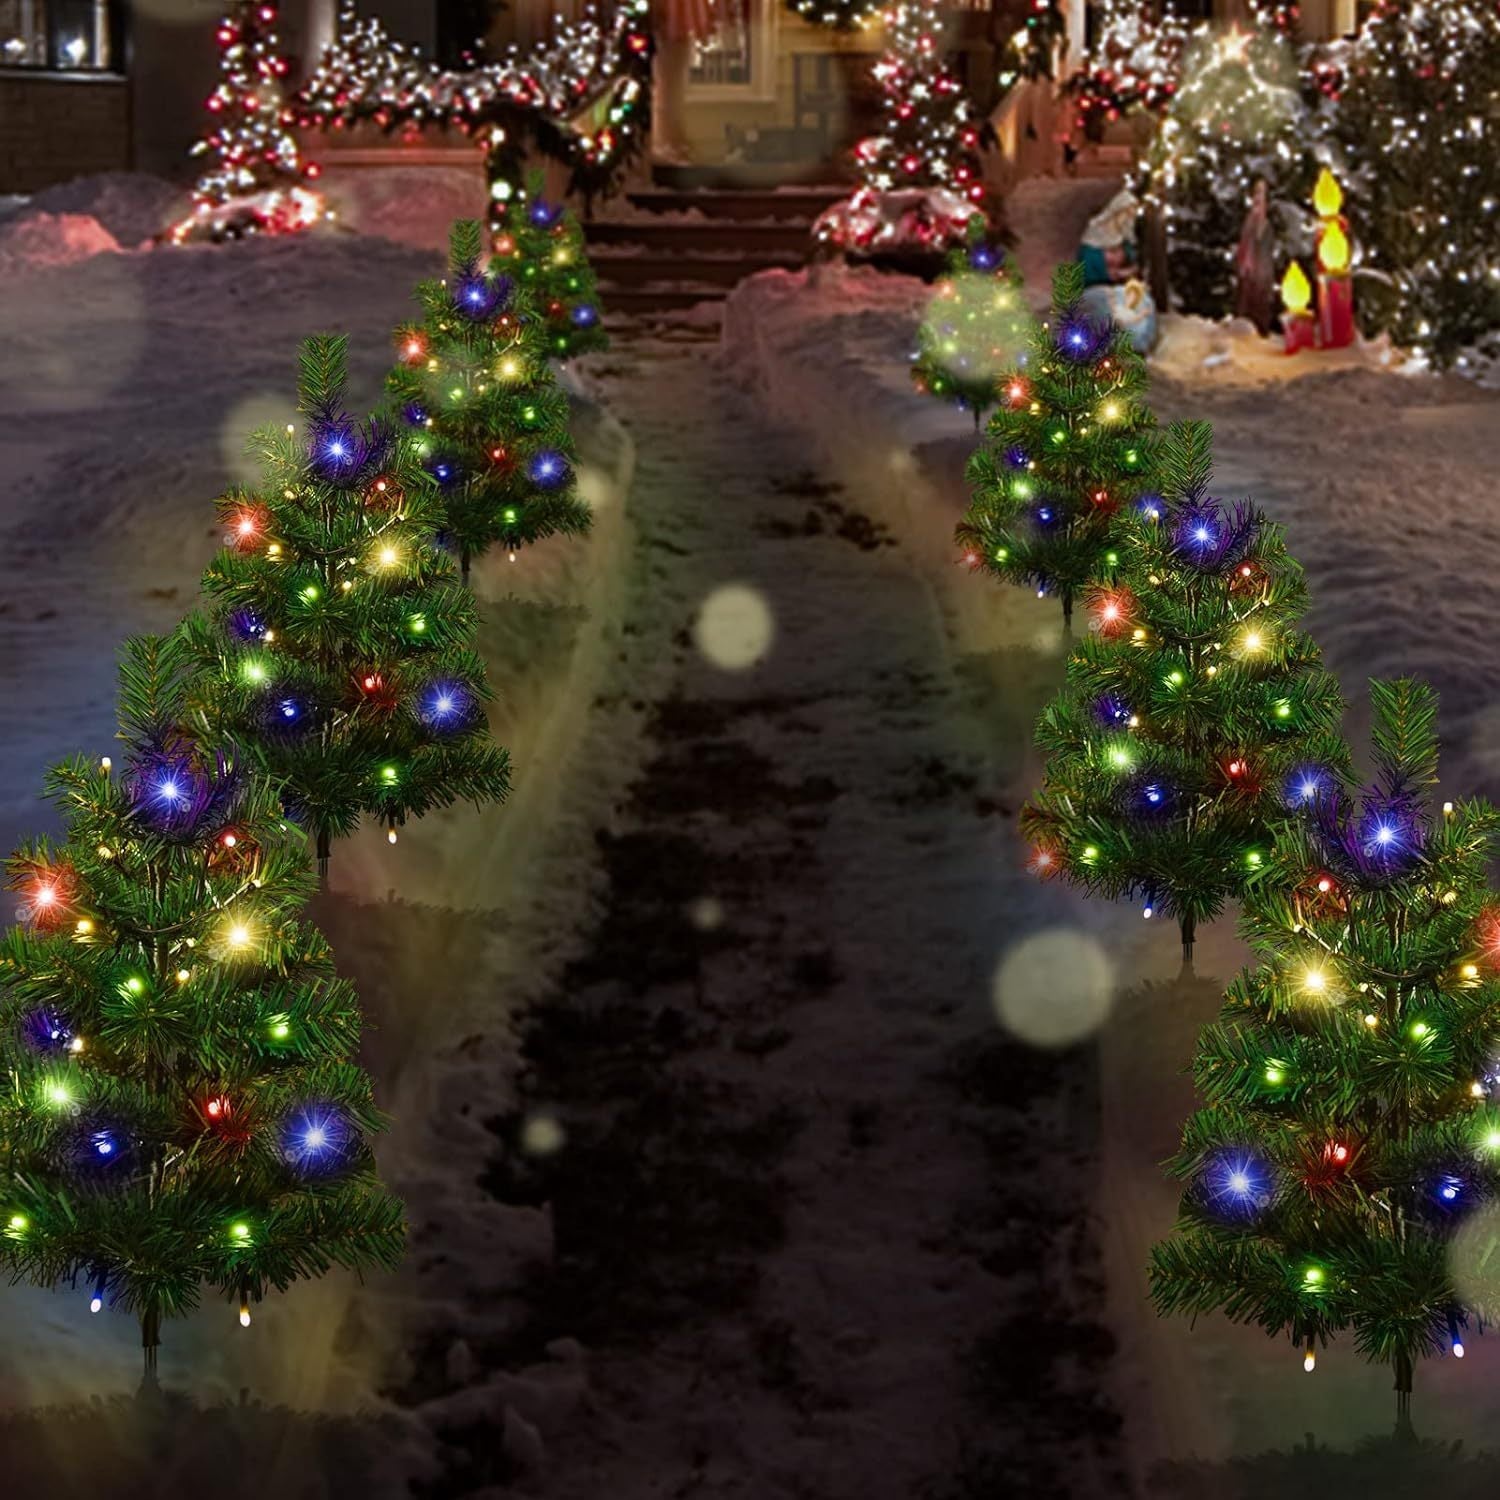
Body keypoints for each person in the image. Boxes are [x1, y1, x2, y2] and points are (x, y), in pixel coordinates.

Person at [1235, 177, 1277, 334]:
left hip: (1260, 276)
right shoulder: (1248, 222)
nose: (1257, 198)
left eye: (1261, 193)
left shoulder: (1265, 226)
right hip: (1246, 272)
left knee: (1259, 305)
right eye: (1255, 193)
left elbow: (1265, 252)